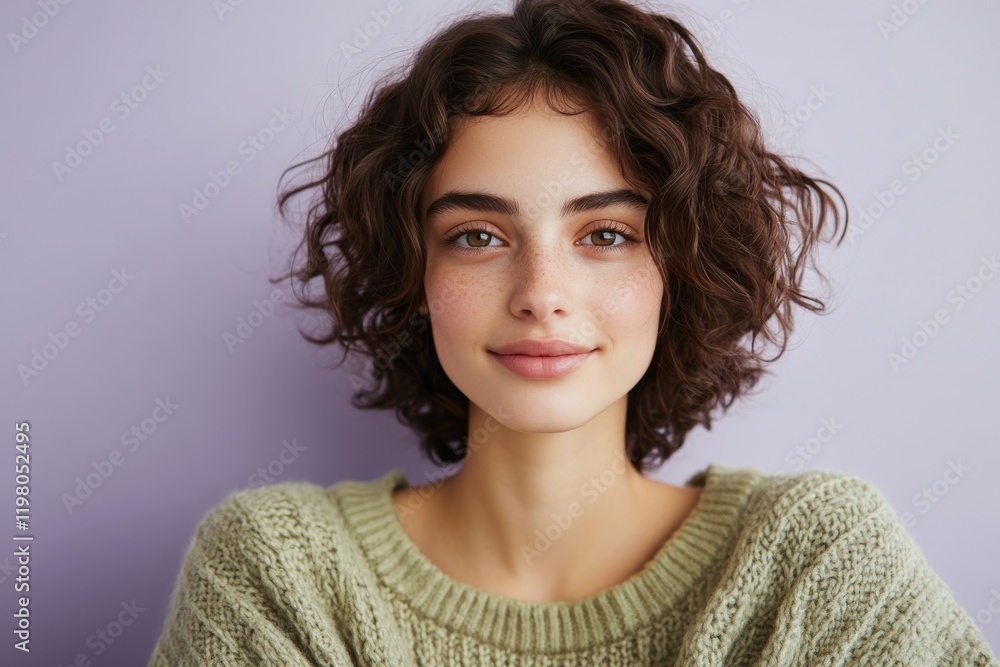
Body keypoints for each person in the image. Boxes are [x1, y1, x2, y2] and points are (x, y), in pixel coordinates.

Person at [148, 0, 999, 664]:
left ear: (682, 269)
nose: (541, 295)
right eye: (478, 235)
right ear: (414, 274)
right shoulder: (278, 572)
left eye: (607, 235)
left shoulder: (816, 563)